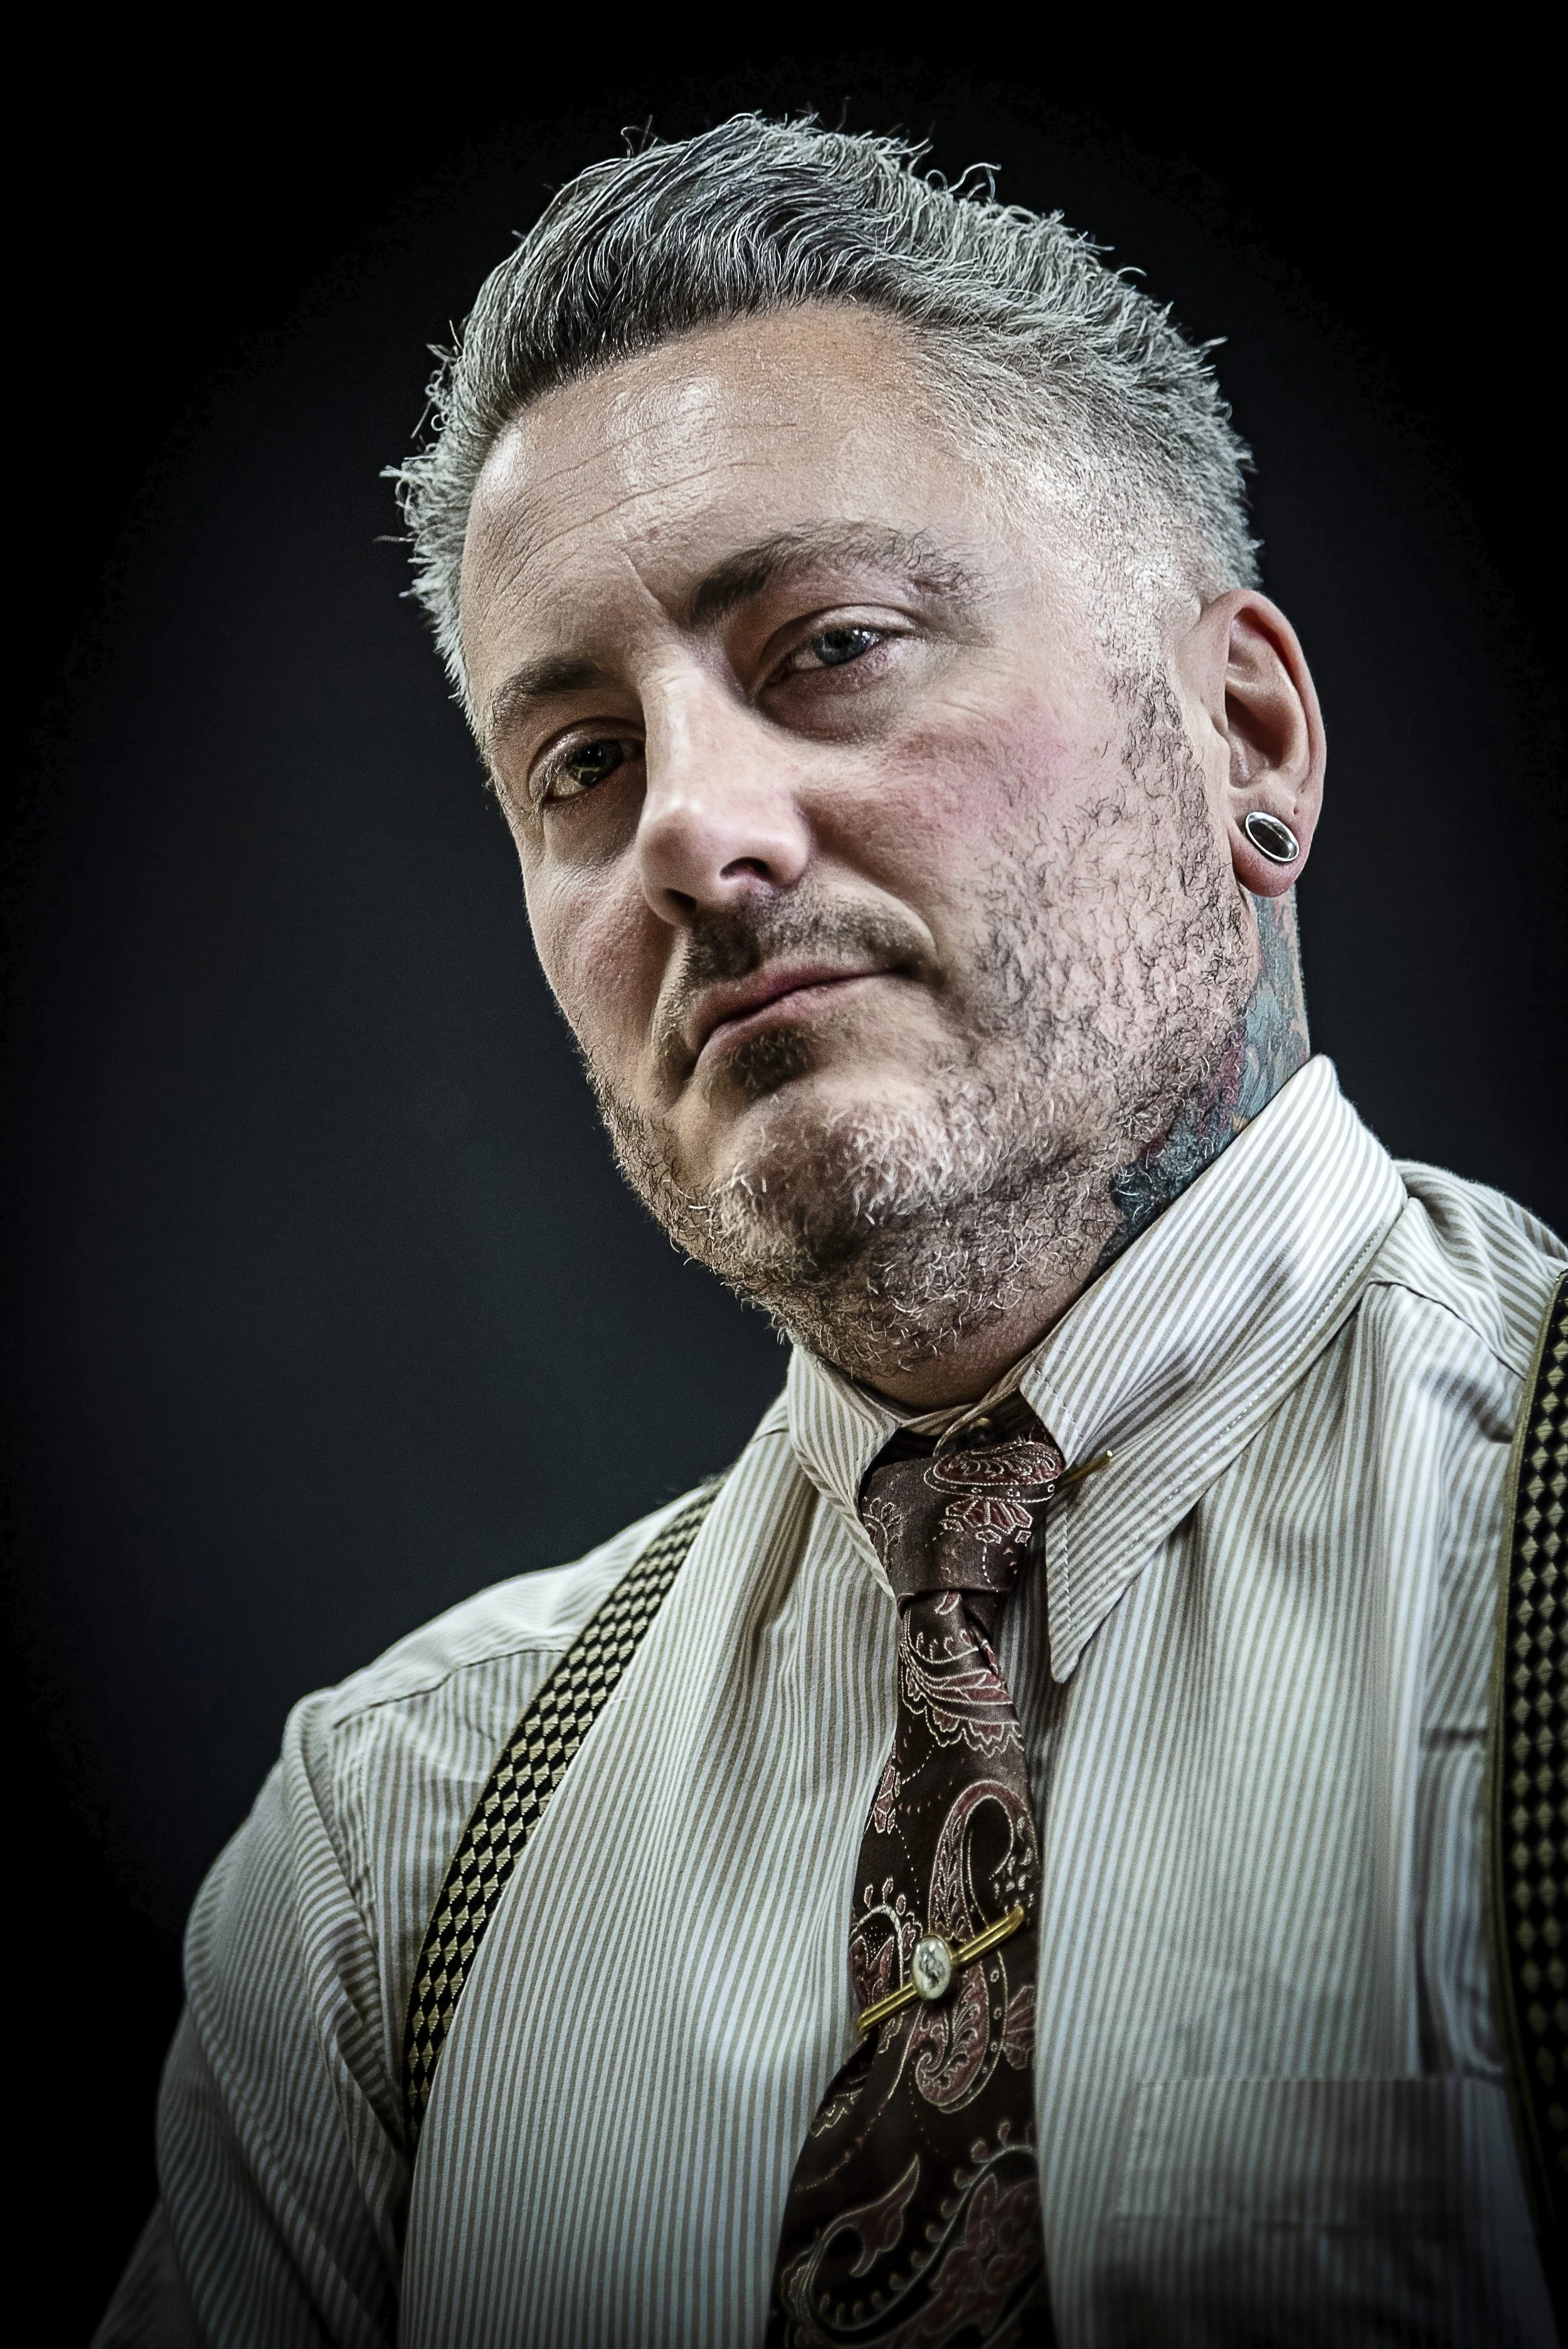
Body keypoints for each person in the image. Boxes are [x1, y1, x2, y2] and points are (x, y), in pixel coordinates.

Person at [98, 116, 1564, 2348]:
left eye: (836, 646)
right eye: (578, 764)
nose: (692, 828)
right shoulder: (391, 1860)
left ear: (1244, 732)